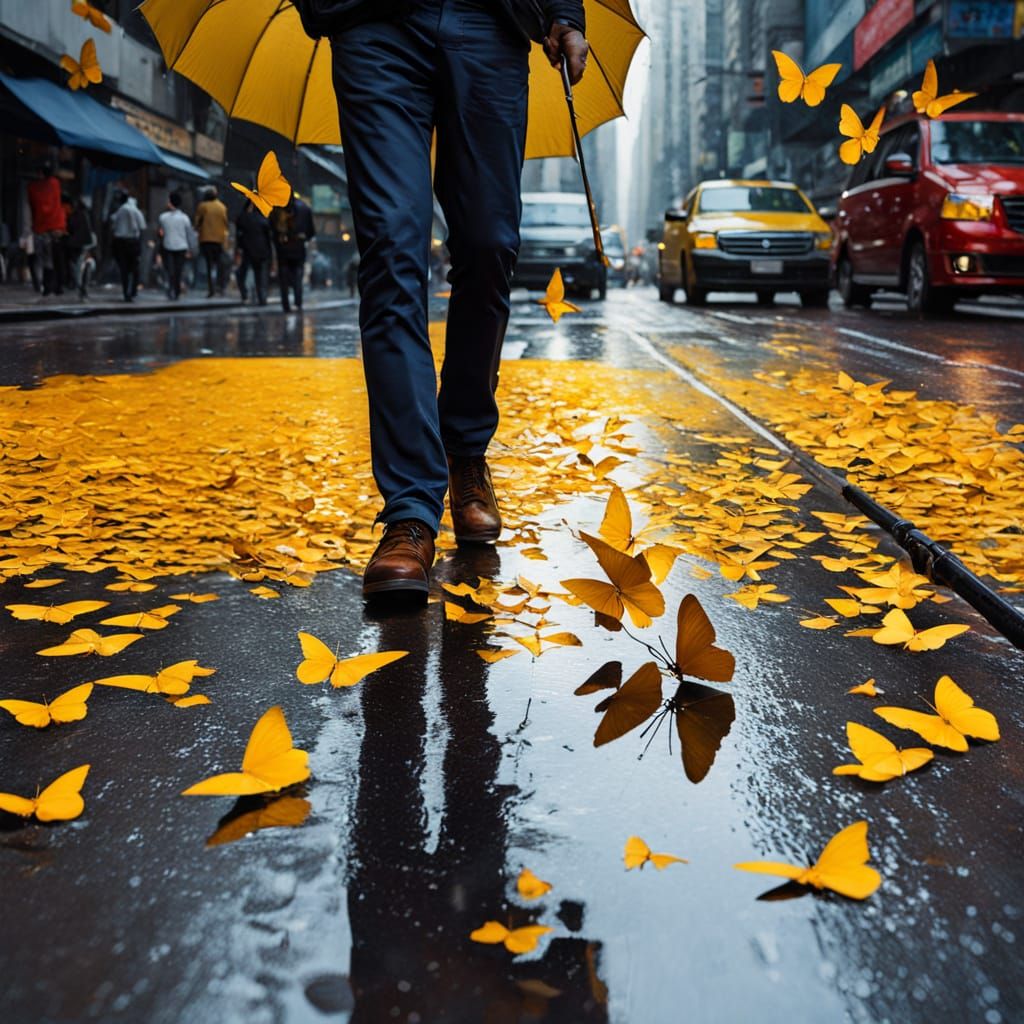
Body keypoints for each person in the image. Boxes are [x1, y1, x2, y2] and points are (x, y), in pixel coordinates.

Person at [302, 1, 587, 597]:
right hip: (374, 23)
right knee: (390, 249)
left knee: (489, 246)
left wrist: (563, 11)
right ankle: (410, 510)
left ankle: (464, 451)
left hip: (491, 20)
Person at [27, 162, 67, 296]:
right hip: (56, 227)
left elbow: (33, 207)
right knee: (54, 258)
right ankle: (54, 286)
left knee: (41, 258)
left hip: (40, 228)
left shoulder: (33, 187)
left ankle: (43, 286)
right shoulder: (55, 184)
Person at [270, 192, 315, 313]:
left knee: (283, 279)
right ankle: (298, 303)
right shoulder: (305, 208)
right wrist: (303, 237)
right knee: (298, 277)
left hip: (283, 250)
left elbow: (272, 231)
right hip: (298, 248)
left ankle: (286, 305)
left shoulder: (277, 210)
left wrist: (278, 241)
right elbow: (311, 232)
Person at [234, 199, 272, 305]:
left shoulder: (244, 218)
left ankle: (244, 294)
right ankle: (262, 297)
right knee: (260, 276)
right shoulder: (264, 220)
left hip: (247, 250)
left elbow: (239, 221)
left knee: (242, 274)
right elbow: (269, 239)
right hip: (262, 251)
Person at [110, 191, 147, 301]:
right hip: (132, 242)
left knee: (124, 269)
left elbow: (113, 226)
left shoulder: (118, 212)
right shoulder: (135, 210)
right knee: (134, 268)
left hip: (120, 242)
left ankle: (126, 292)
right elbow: (142, 226)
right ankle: (133, 291)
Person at [194, 186, 229, 297]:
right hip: (219, 240)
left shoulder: (202, 206)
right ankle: (221, 286)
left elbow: (197, 222)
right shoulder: (222, 207)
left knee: (209, 265)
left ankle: (211, 289)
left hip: (206, 239)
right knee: (220, 264)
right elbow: (226, 223)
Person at [158, 192, 193, 300]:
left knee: (170, 270)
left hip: (168, 246)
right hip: (181, 247)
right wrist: (190, 248)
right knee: (178, 270)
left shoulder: (163, 217)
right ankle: (176, 291)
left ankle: (171, 289)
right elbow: (189, 234)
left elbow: (160, 232)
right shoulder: (185, 218)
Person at [65, 196, 96, 300]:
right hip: (84, 245)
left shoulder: (77, 215)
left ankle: (81, 287)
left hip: (78, 245)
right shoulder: (85, 214)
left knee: (78, 267)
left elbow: (72, 228)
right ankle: (82, 288)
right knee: (83, 268)